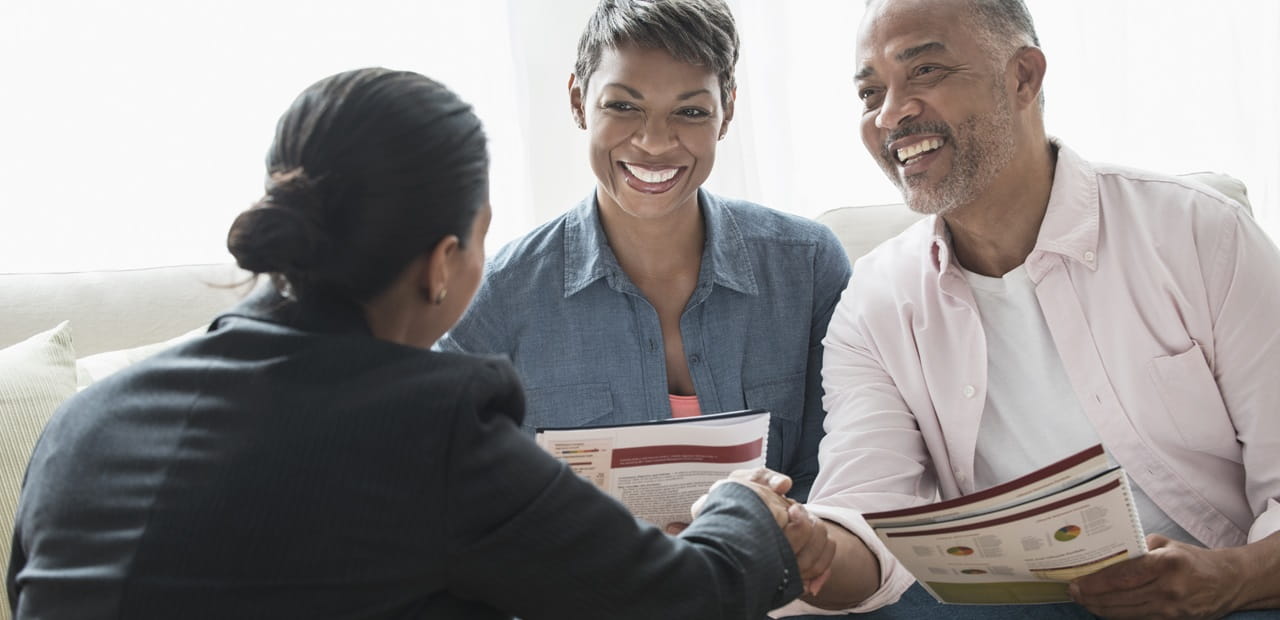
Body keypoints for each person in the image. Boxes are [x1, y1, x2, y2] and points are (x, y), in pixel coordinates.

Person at [5, 67, 835, 619]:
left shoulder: (86, 423)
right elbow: (687, 600)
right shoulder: (432, 421)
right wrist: (744, 508)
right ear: (445, 262)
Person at [775, 0, 1280, 617]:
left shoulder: (1203, 233)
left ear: (1023, 77)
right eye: (869, 92)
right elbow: (867, 525)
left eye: (925, 72)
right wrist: (804, 544)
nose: (891, 113)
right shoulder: (874, 303)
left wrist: (1228, 579)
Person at [436, 0, 851, 505]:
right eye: (623, 106)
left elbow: (836, 475)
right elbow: (443, 481)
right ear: (577, 101)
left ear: (727, 114)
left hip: (781, 576)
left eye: (690, 111)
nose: (654, 142)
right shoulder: (499, 295)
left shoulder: (807, 267)